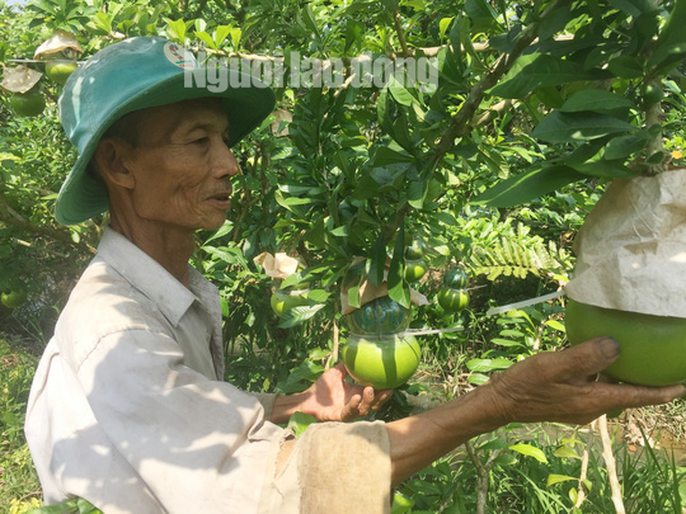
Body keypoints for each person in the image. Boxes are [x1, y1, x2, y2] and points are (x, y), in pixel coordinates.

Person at [24, 36, 685, 514]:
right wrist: (501, 403)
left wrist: (287, 407)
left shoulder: (163, 298)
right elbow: (262, 493)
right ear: (118, 164)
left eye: (226, 142)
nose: (229, 164)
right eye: (199, 142)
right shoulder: (113, 333)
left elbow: (181, 421)